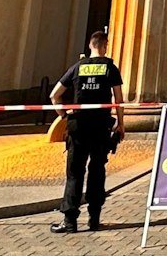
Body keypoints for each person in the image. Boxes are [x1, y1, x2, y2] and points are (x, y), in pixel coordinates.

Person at [50, 30, 125, 235]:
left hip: (79, 126)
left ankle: (70, 220)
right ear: (105, 45)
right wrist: (121, 123)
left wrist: (65, 116)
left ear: (90, 46)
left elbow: (54, 95)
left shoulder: (77, 67)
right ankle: (94, 217)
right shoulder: (110, 67)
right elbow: (118, 99)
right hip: (101, 126)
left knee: (75, 173)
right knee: (97, 169)